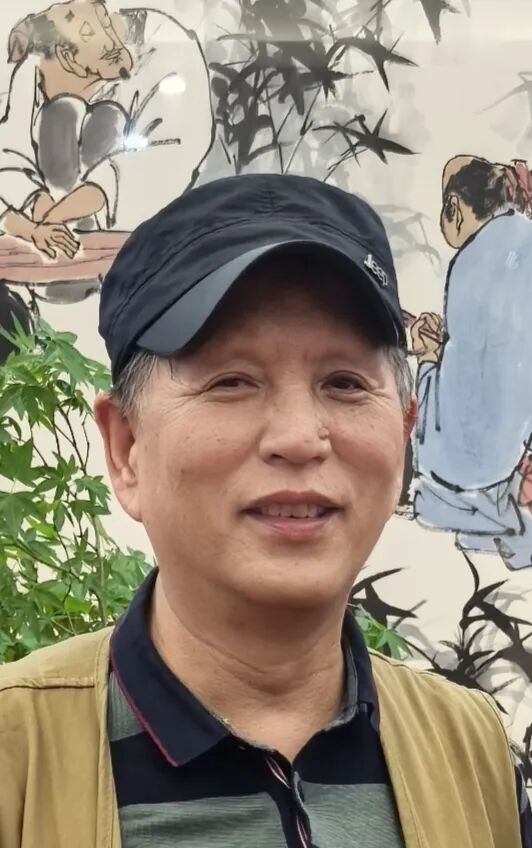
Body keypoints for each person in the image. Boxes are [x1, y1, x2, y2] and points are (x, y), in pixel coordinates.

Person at [0, 173, 530, 847]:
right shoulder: (19, 758)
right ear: (126, 447)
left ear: (404, 432)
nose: (299, 438)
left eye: (344, 382)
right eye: (232, 381)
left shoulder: (474, 757)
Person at [0, 0, 212, 259]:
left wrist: (56, 215)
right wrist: (36, 209)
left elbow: (174, 152)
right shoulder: (35, 71)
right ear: (67, 58)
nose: (112, 42)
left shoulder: (169, 53)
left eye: (106, 21)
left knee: (104, 118)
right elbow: (9, 153)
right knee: (63, 113)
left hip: (143, 239)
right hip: (59, 243)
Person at [411, 155, 532, 568]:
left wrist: (429, 354)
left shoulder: (468, 260)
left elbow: (464, 386)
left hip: (464, 463)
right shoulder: (524, 238)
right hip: (514, 449)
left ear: (455, 208)